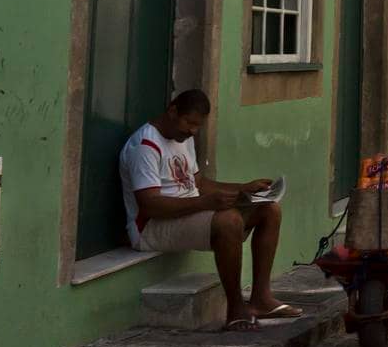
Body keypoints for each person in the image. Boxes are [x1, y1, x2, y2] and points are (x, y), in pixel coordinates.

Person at [118, 89, 299, 331]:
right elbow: (150, 205)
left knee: (269, 210)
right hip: (152, 228)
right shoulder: (145, 146)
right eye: (189, 123)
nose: (193, 130)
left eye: (198, 126)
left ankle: (261, 299)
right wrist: (204, 204)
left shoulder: (184, 139)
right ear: (172, 111)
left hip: (188, 213)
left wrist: (243, 188)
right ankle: (235, 309)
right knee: (229, 221)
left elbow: (198, 184)